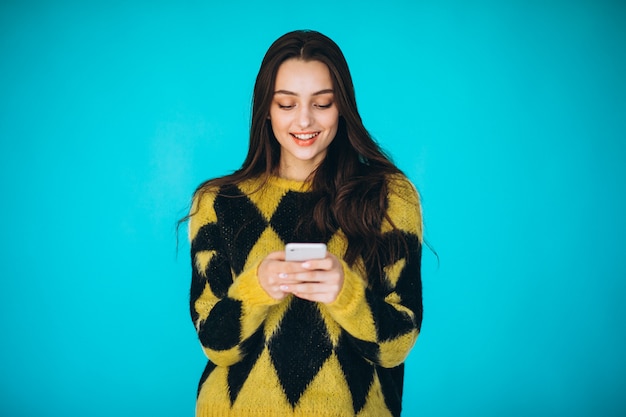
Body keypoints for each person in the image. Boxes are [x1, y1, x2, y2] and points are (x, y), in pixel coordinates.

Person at [185, 30, 423, 417]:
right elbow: (216, 345)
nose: (305, 120)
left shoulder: (389, 198)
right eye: (286, 104)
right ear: (266, 109)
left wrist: (346, 293)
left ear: (342, 107)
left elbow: (397, 347)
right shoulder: (218, 203)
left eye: (323, 103)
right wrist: (258, 287)